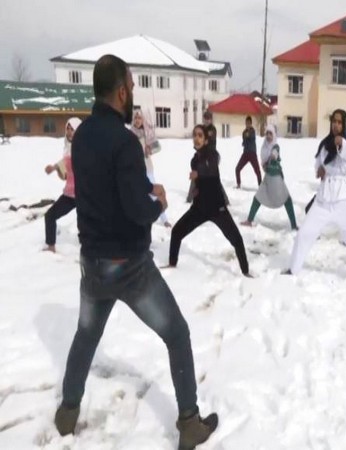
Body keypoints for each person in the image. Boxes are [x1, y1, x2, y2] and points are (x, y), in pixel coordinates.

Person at [54, 54, 218, 450]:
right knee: (177, 334)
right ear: (122, 90)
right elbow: (134, 210)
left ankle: (67, 413)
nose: (133, 95)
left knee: (85, 336)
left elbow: (100, 196)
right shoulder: (125, 142)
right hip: (128, 266)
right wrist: (158, 201)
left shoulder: (83, 137)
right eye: (132, 87)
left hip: (91, 264)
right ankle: (190, 424)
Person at [284, 109, 346, 280]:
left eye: (340, 122)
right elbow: (317, 166)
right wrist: (319, 171)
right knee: (304, 233)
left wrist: (339, 145)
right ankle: (293, 269)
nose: (336, 125)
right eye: (334, 121)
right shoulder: (324, 145)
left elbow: (344, 167)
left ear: (344, 125)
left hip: (342, 198)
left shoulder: (345, 143)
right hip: (324, 198)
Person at [169, 125, 251, 276]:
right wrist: (196, 189)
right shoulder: (194, 160)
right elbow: (202, 179)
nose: (196, 138)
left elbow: (210, 169)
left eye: (200, 136)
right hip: (199, 208)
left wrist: (197, 174)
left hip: (217, 209)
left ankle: (245, 272)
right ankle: (172, 264)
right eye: (195, 135)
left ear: (206, 140)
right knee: (176, 232)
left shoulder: (213, 155)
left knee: (237, 240)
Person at [240, 124, 297, 230]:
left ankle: (294, 225)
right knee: (258, 198)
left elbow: (275, 152)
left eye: (271, 134)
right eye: (267, 133)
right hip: (268, 178)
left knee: (287, 200)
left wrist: (273, 156)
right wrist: (265, 163)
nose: (268, 136)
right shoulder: (264, 146)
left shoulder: (275, 146)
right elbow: (263, 161)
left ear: (274, 135)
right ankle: (249, 220)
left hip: (276, 179)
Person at [43, 117, 82, 252]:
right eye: (68, 129)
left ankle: (90, 252)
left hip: (84, 195)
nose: (70, 132)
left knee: (84, 225)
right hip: (69, 195)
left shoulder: (85, 149)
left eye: (73, 129)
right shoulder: (67, 149)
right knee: (50, 216)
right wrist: (53, 169)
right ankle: (51, 246)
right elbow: (64, 172)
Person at [131, 109, 170, 227]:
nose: (137, 120)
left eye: (139, 118)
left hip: (147, 168)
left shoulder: (147, 132)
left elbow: (158, 147)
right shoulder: (130, 134)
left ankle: (164, 219)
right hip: (134, 169)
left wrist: (150, 149)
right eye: (136, 118)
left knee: (155, 192)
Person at [235, 116, 262, 188]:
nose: (247, 125)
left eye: (249, 123)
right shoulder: (244, 132)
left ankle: (260, 186)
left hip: (252, 153)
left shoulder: (252, 131)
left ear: (251, 124)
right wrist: (244, 142)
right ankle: (238, 184)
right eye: (246, 123)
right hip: (245, 153)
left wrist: (247, 136)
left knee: (257, 171)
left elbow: (251, 137)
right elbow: (244, 141)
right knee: (237, 168)